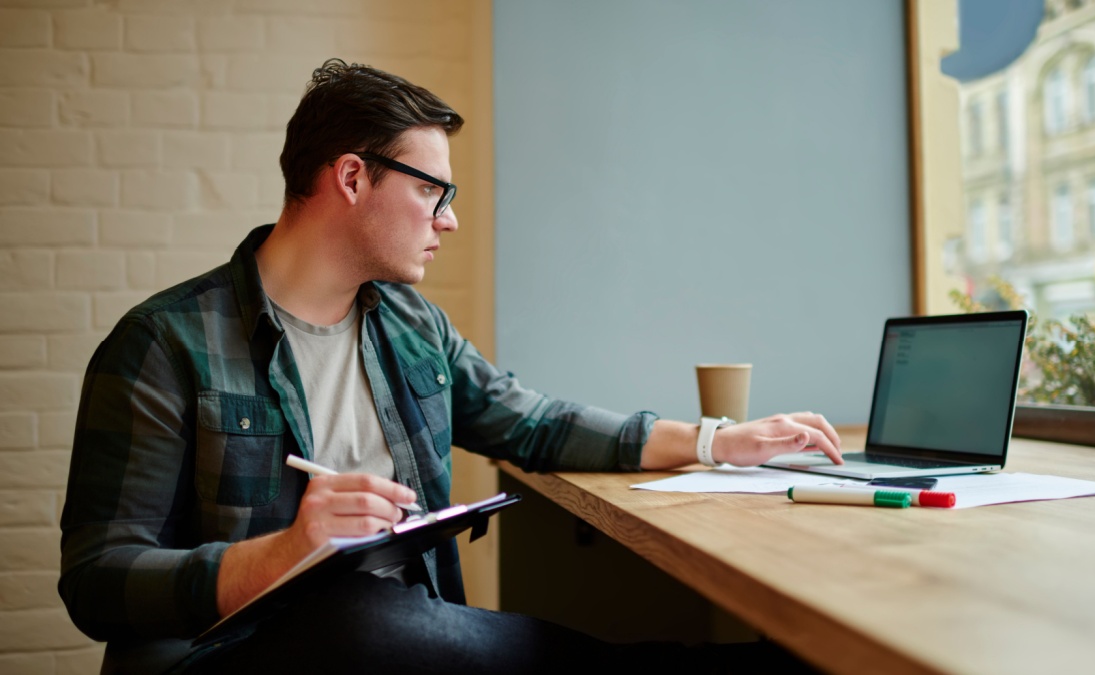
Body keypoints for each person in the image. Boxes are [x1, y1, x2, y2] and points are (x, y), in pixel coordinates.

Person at [58, 58, 843, 675]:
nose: (451, 219)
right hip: (232, 656)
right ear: (353, 177)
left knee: (379, 623)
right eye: (435, 190)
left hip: (404, 644)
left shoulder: (410, 325)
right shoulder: (163, 344)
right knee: (356, 616)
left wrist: (717, 441)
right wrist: (289, 549)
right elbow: (97, 580)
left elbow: (530, 420)